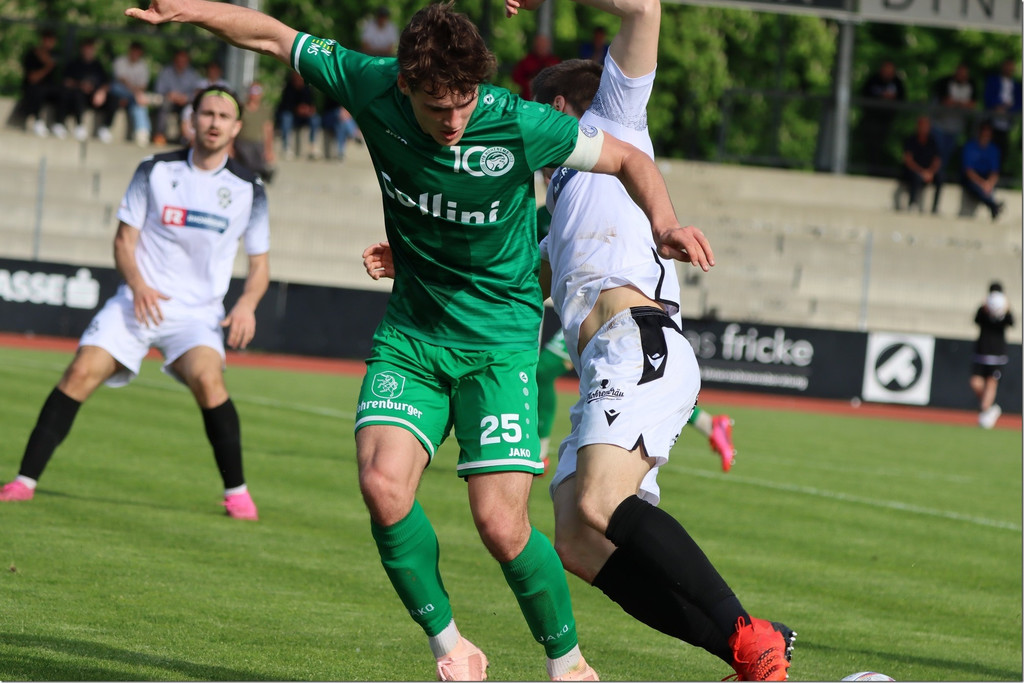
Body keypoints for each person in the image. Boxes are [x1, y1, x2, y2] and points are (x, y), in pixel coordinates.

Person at [126, 1, 713, 680]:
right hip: (412, 334)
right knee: (382, 486)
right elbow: (273, 36)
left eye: (464, 105)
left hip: (498, 344)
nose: (454, 122)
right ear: (404, 85)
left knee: (501, 526)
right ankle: (452, 647)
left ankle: (569, 661)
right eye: (438, 108)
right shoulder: (369, 82)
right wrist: (185, 11)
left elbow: (629, 159)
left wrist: (663, 223)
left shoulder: (517, 121)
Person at [513, 0, 795, 678]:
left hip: (638, 343)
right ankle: (751, 646)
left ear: (559, 108)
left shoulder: (612, 122)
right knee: (576, 537)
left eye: (530, 114)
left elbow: (643, 8)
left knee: (599, 501)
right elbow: (511, 277)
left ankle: (746, 635)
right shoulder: (558, 213)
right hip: (611, 364)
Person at [0, 86, 270, 521]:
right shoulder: (154, 170)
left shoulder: (249, 190)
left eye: (224, 116)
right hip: (136, 301)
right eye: (206, 113)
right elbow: (124, 241)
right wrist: (140, 286)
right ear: (191, 120)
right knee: (80, 371)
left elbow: (259, 265)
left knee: (209, 381)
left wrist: (247, 305)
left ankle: (237, 493)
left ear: (237, 127)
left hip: (196, 315)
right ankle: (23, 482)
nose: (214, 122)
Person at [55, 37, 118, 143]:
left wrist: (101, 92)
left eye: (91, 48)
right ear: (82, 49)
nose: (89, 51)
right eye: (87, 48)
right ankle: (79, 126)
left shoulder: (98, 65)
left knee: (114, 98)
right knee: (77, 94)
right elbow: (66, 81)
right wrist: (80, 85)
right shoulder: (74, 64)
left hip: (95, 97)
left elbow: (106, 83)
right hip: (78, 95)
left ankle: (105, 128)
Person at [971, 282, 1013, 429]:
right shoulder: (983, 310)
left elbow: (1010, 322)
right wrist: (986, 309)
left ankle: (985, 411)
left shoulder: (1005, 311)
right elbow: (976, 320)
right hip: (982, 353)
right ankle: (990, 408)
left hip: (997, 355)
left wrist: (1004, 310)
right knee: (976, 383)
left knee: (991, 383)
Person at [10, 27, 63, 137]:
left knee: (64, 92)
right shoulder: (32, 54)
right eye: (47, 39)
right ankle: (38, 121)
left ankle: (58, 123)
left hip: (50, 88)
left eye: (52, 40)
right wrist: (48, 65)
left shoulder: (56, 55)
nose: (49, 43)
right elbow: (33, 78)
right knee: (38, 91)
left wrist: (48, 61)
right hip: (34, 88)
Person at [859, 60, 905, 174]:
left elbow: (902, 98)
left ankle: (886, 171)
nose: (888, 72)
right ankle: (873, 170)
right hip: (872, 119)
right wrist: (880, 97)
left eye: (890, 70)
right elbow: (864, 96)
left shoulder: (897, 82)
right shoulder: (873, 80)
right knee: (872, 145)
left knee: (886, 146)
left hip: (889, 121)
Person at [932, 63, 977, 173]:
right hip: (940, 125)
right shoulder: (945, 82)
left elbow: (972, 105)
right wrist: (961, 104)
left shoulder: (971, 85)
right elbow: (945, 101)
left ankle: (939, 175)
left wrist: (955, 103)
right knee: (937, 152)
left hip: (956, 127)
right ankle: (935, 174)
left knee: (947, 154)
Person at [153, 48, 202, 145]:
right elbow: (159, 89)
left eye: (183, 61)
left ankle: (186, 137)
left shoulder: (193, 74)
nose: (181, 63)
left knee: (190, 109)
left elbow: (197, 92)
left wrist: (186, 97)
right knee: (164, 105)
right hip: (169, 102)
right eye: (179, 60)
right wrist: (170, 95)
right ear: (174, 60)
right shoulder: (166, 71)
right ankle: (160, 134)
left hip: (186, 102)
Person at [109, 41, 154, 146]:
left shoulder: (143, 66)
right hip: (119, 93)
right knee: (116, 88)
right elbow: (122, 80)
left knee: (139, 105)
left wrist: (136, 94)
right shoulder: (120, 61)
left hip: (134, 97)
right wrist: (136, 93)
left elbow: (143, 86)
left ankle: (142, 133)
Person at [983, 58, 1022, 174]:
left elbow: (1019, 103)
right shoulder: (993, 80)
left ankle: (996, 175)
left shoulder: (1017, 86)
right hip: (991, 122)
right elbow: (987, 98)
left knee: (1002, 152)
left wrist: (1008, 109)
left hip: (1006, 124)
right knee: (987, 150)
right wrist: (998, 106)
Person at [960, 120, 1004, 221]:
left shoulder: (993, 149)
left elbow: (995, 172)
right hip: (972, 178)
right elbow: (968, 171)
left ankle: (992, 205)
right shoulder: (970, 146)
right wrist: (982, 184)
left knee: (986, 189)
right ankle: (993, 205)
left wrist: (989, 184)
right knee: (974, 187)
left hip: (986, 178)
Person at [234, 81, 277, 182]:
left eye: (258, 90)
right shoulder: (241, 108)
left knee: (258, 171)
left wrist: (269, 150)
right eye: (253, 90)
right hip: (242, 144)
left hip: (258, 144)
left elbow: (268, 130)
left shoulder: (265, 110)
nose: (255, 94)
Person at [899, 115, 942, 214]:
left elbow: (937, 160)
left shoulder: (932, 141)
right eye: (922, 126)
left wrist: (930, 172)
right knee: (915, 177)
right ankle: (912, 204)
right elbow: (908, 160)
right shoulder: (911, 140)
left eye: (926, 126)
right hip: (914, 171)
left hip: (928, 172)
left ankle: (935, 207)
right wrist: (922, 172)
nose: (924, 129)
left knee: (940, 177)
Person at [275, 70, 322, 159]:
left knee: (315, 118)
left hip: (304, 117)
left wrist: (308, 110)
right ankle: (286, 147)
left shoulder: (308, 89)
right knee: (286, 117)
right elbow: (285, 106)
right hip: (292, 116)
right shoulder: (288, 89)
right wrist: (297, 109)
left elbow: (313, 105)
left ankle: (313, 145)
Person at [512, 34, 560, 102]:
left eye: (544, 46)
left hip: (549, 100)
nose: (541, 48)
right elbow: (516, 77)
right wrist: (528, 83)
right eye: (539, 45)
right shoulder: (526, 61)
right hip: (529, 100)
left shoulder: (554, 62)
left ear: (548, 46)